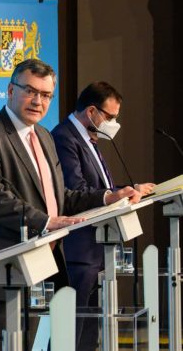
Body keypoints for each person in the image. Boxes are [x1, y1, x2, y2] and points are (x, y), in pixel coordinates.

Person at [0, 59, 141, 351]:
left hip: (39, 266)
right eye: (30, 91)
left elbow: (60, 197)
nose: (38, 101)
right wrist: (45, 221)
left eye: (46, 95)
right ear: (10, 90)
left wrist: (109, 196)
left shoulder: (43, 135)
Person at [51, 81, 154, 350]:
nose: (114, 123)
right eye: (110, 117)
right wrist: (115, 194)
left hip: (96, 250)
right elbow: (75, 192)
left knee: (88, 331)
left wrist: (128, 190)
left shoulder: (89, 138)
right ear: (91, 111)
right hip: (79, 249)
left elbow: (99, 188)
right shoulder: (65, 137)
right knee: (71, 330)